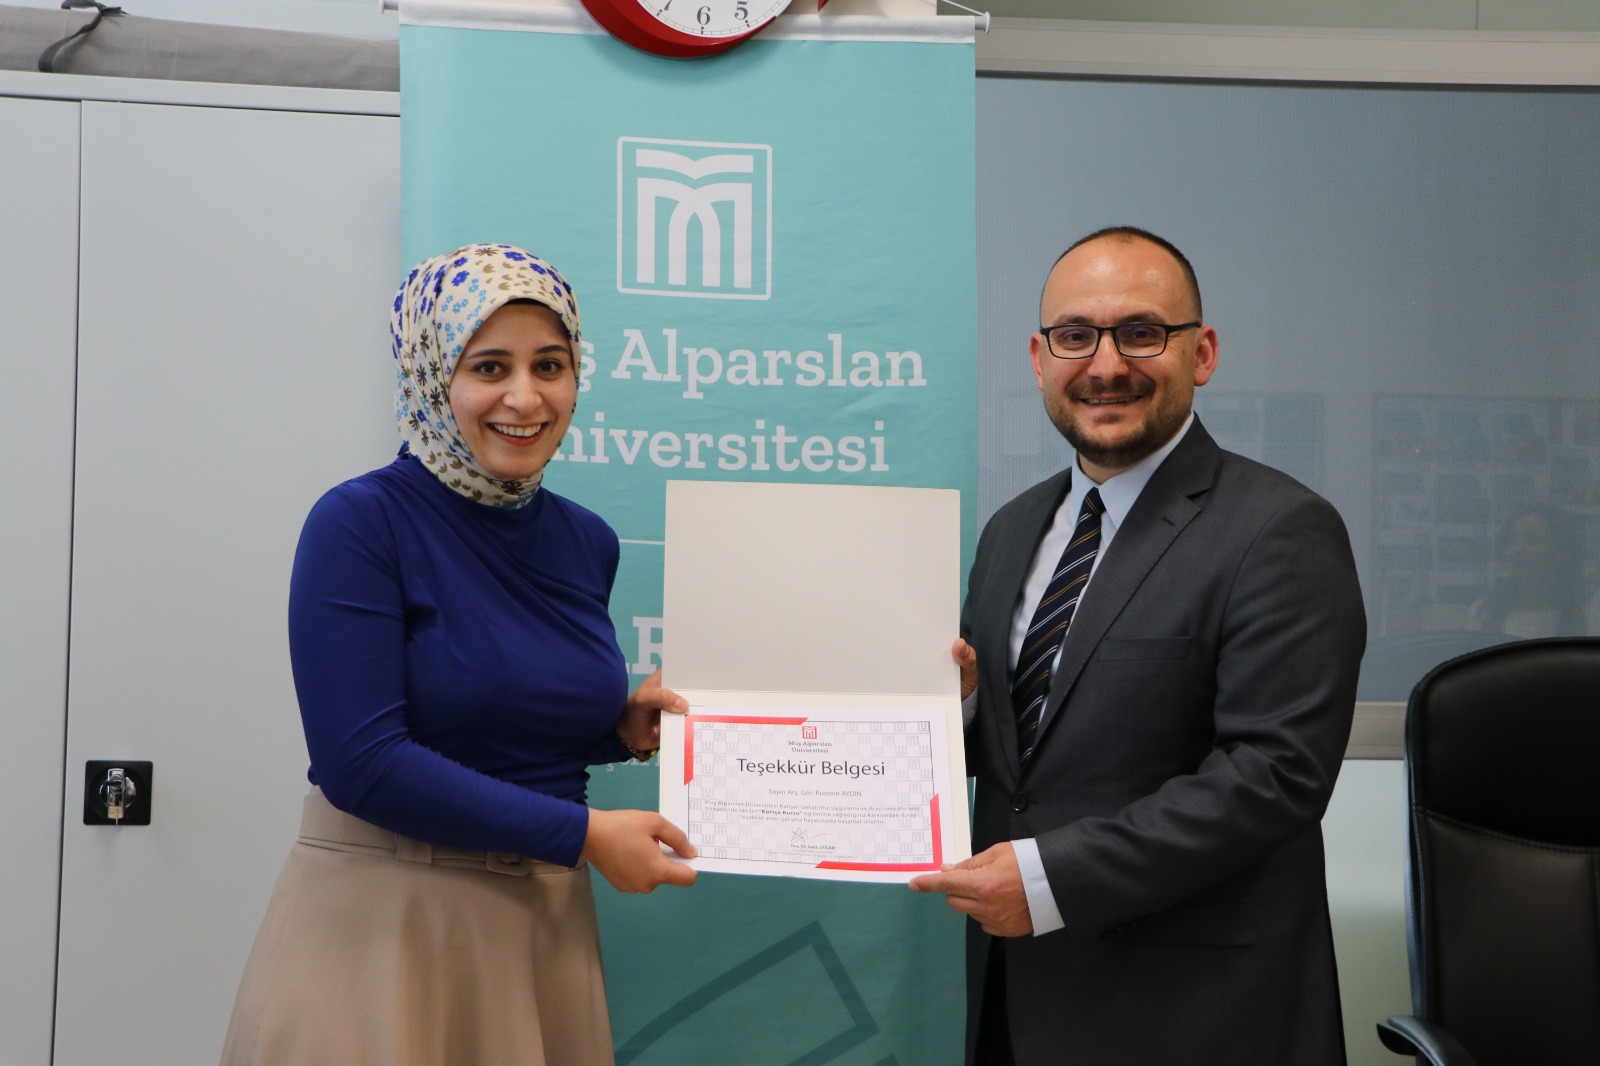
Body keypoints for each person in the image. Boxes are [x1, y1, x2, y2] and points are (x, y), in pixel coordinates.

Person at [221, 244, 697, 1066]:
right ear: (431, 375)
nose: (525, 397)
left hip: (542, 928)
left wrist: (618, 730)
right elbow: (363, 763)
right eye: (489, 367)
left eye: (550, 365)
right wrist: (585, 834)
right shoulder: (360, 522)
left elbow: (490, 715)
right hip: (384, 929)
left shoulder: (587, 541)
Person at [910, 227, 1366, 1065]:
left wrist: (1052, 880)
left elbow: (1275, 775)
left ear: (1203, 353)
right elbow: (1025, 763)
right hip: (1020, 1000)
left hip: (1195, 1016)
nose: (1106, 364)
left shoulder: (1279, 529)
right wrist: (964, 709)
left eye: (1141, 332)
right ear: (1040, 359)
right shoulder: (1011, 531)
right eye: (1075, 336)